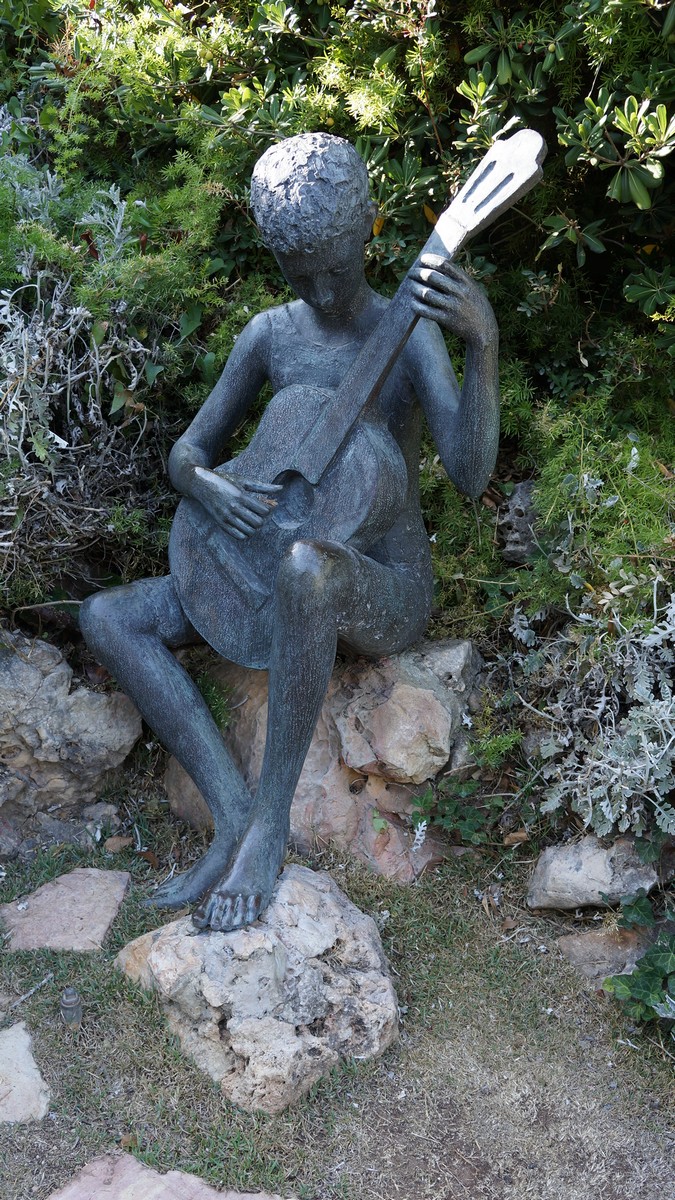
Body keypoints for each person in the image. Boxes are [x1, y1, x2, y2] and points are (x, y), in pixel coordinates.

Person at [80, 132, 499, 932]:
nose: (321, 290)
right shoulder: (272, 334)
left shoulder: (410, 333)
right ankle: (232, 810)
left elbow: (472, 474)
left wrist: (482, 346)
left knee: (308, 568)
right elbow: (187, 453)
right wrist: (207, 486)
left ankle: (269, 827)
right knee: (107, 616)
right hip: (265, 554)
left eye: (334, 269)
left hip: (380, 584)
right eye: (299, 274)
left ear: (369, 226)